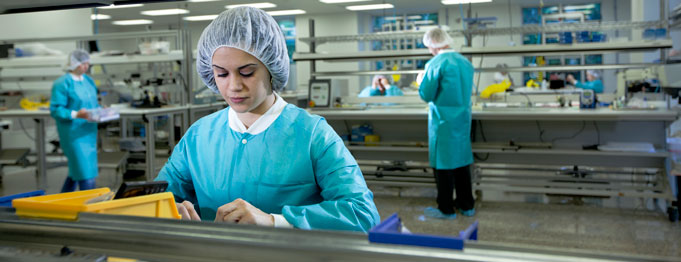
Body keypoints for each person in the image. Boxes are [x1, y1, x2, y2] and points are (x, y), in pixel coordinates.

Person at [155, 7, 380, 232]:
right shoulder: (199, 135)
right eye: (222, 74)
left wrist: (275, 221)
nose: (233, 85)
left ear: (271, 68)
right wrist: (169, 208)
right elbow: (156, 195)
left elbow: (362, 213)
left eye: (246, 73)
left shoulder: (312, 134)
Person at [417, 28, 476, 219]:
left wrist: (420, 81)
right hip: (462, 120)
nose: (429, 51)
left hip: (443, 122)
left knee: (443, 165)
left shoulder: (436, 63)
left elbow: (426, 94)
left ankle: (446, 209)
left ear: (433, 44)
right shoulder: (465, 63)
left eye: (428, 47)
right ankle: (467, 205)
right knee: (461, 162)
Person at [50, 49, 100, 192]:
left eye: (87, 64)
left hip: (89, 133)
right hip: (73, 133)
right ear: (74, 64)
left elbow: (93, 104)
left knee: (77, 171)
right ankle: (89, 206)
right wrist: (76, 114)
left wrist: (102, 111)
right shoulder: (62, 83)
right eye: (83, 64)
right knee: (85, 174)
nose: (86, 67)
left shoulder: (89, 81)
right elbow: (56, 110)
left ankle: (62, 203)